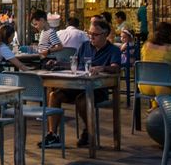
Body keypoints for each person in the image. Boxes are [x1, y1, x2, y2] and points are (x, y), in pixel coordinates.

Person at [44, 18, 121, 148]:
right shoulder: (85, 46)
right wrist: (58, 64)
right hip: (77, 86)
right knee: (54, 96)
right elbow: (75, 64)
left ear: (105, 34)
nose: (91, 37)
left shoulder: (113, 50)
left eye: (95, 35)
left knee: (82, 100)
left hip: (98, 89)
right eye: (89, 34)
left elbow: (116, 68)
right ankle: (53, 135)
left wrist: (102, 68)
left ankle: (89, 131)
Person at [139, 22, 171, 97]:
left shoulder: (145, 46)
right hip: (163, 87)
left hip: (144, 86)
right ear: (170, 34)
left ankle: (156, 105)